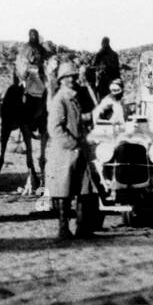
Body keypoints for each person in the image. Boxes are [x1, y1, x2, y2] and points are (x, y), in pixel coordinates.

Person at [46, 62, 91, 240]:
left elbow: (78, 120)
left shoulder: (73, 98)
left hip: (77, 150)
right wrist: (72, 144)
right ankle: (63, 229)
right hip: (65, 152)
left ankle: (82, 228)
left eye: (73, 76)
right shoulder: (60, 100)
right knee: (64, 192)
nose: (72, 79)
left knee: (83, 189)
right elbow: (55, 128)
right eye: (67, 77)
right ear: (61, 80)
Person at [15, 28, 49, 99]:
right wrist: (24, 76)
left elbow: (45, 58)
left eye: (35, 35)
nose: (34, 36)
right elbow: (22, 63)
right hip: (29, 74)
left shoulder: (40, 48)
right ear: (29, 36)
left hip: (40, 74)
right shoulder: (26, 47)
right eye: (32, 35)